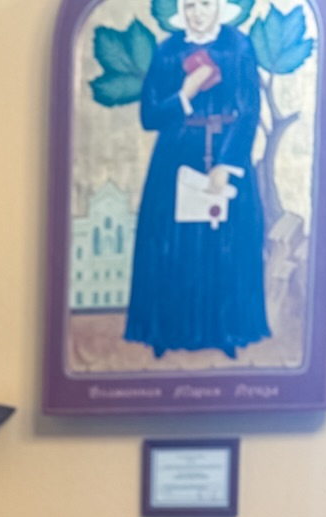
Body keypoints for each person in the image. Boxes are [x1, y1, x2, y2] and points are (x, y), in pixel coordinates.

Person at [124, 0, 269, 358]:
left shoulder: (238, 47)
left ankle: (226, 331)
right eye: (190, 5)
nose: (197, 12)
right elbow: (149, 116)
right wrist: (185, 93)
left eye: (205, 3)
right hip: (175, 159)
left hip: (226, 153)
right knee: (171, 244)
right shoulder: (167, 51)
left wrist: (226, 164)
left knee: (225, 243)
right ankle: (166, 332)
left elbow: (248, 110)